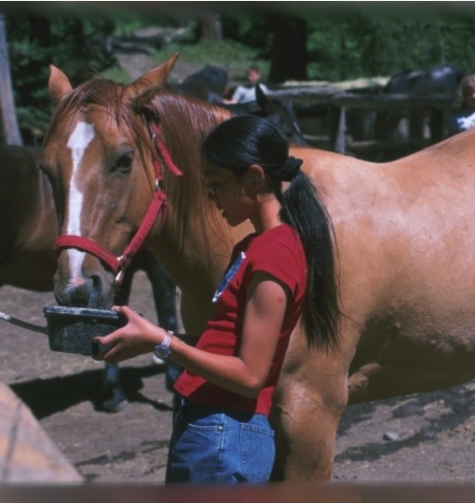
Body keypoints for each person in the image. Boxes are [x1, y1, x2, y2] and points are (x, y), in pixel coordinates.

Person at [92, 115, 341, 483]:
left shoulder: (276, 253)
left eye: (216, 185)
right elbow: (227, 344)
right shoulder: (252, 247)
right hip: (211, 427)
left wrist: (162, 341)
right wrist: (148, 339)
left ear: (255, 178)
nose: (211, 198)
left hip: (225, 432)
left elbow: (250, 375)